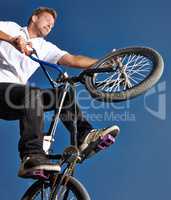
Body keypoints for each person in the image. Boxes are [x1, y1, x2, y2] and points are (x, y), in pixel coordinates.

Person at [0, 7, 120, 179]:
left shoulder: (45, 47)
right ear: (34, 17)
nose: (51, 25)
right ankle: (31, 156)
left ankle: (84, 136)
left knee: (63, 95)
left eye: (53, 24)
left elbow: (73, 59)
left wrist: (105, 63)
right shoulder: (12, 28)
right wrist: (12, 39)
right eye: (48, 20)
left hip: (17, 98)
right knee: (32, 93)